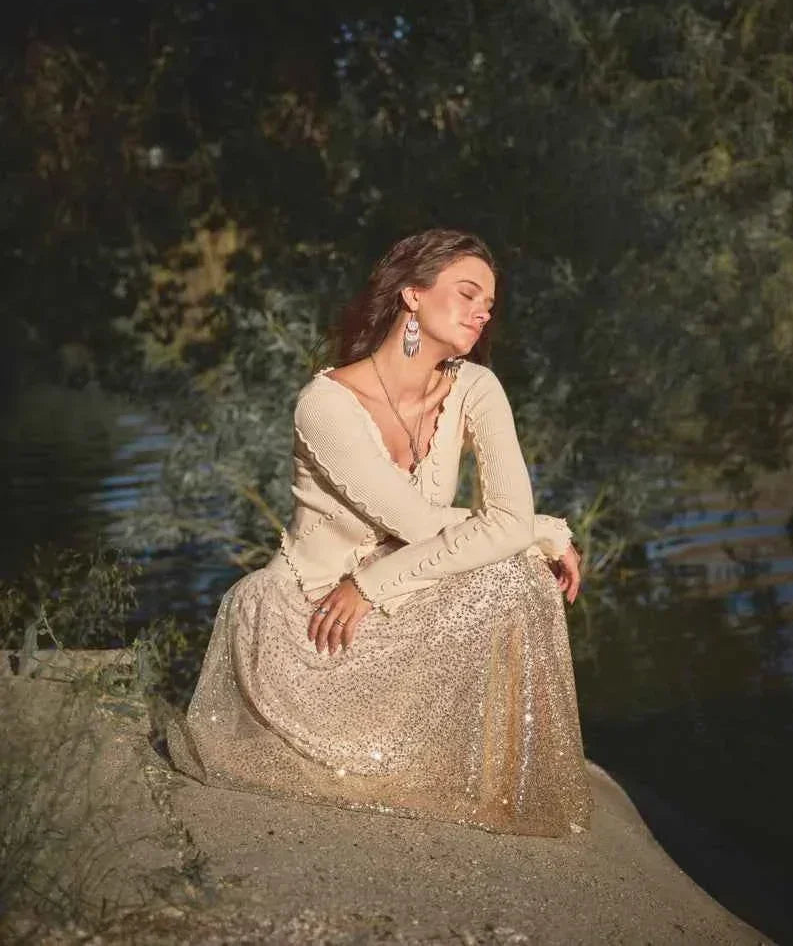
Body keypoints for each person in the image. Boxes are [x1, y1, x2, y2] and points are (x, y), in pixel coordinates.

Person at [167, 229, 593, 837]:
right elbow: (419, 525)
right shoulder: (326, 402)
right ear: (412, 295)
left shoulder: (477, 386)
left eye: (489, 304)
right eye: (467, 293)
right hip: (312, 620)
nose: (481, 311)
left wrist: (375, 583)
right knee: (513, 560)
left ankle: (511, 788)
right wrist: (543, 530)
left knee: (519, 576)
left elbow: (500, 524)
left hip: (384, 601)